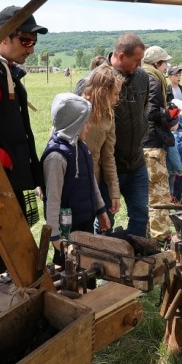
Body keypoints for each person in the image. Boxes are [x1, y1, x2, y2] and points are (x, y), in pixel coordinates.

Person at [0, 6, 47, 279]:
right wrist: (6, 160)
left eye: (34, 42)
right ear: (4, 37)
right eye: (26, 41)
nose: (31, 49)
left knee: (15, 243)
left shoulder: (5, 71)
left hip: (12, 179)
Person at [76, 33, 149, 237]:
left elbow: (144, 110)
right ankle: (106, 261)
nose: (139, 64)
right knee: (106, 219)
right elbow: (77, 124)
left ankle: (136, 258)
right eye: (136, 60)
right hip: (107, 166)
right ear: (121, 56)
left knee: (141, 214)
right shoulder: (92, 82)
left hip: (136, 162)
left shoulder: (143, 78)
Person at [41, 93, 110, 265]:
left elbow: (92, 182)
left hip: (85, 223)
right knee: (68, 277)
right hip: (66, 231)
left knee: (88, 269)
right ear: (73, 125)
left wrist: (101, 211)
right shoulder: (57, 157)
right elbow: (53, 199)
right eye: (85, 123)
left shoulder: (81, 147)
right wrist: (55, 237)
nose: (88, 127)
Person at [80, 64, 123, 230]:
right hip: (69, 183)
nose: (118, 99)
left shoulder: (109, 117)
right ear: (104, 91)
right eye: (116, 94)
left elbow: (108, 157)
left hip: (92, 183)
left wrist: (114, 192)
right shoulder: (77, 108)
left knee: (88, 232)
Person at [141, 45, 176, 244]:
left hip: (140, 143)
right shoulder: (153, 80)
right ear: (157, 63)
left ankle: (146, 232)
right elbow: (151, 113)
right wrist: (168, 114)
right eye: (164, 63)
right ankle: (161, 237)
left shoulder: (139, 76)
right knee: (160, 194)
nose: (166, 67)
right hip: (152, 143)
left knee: (145, 193)